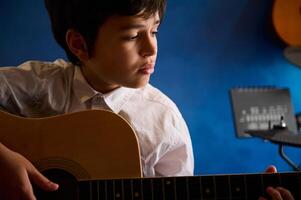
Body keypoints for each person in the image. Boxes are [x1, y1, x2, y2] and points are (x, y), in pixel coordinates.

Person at [0, 0, 294, 200]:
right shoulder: (38, 86)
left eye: (154, 31)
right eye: (131, 36)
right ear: (79, 44)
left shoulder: (164, 122)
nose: (151, 47)